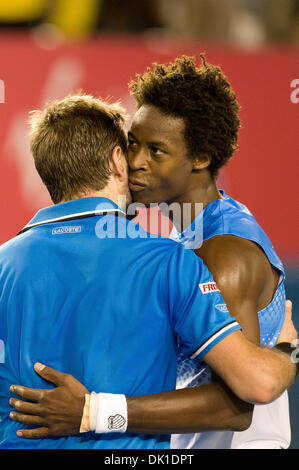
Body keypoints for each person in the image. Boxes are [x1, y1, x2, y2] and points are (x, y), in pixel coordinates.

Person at [7, 60, 298, 449]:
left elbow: (238, 404)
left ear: (200, 158)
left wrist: (92, 411)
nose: (136, 162)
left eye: (156, 150)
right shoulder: (192, 237)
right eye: (133, 144)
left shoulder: (222, 254)